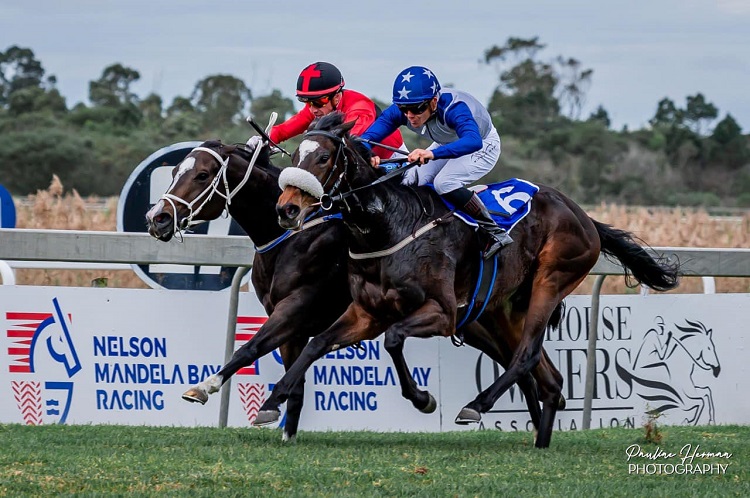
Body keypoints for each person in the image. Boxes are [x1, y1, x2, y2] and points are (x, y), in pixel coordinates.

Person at [359, 65, 513, 258]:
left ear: (434, 101)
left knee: (444, 182)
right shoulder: (404, 110)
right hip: (447, 142)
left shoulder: (454, 108)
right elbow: (367, 139)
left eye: (416, 109)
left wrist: (432, 154)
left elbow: (473, 141)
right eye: (403, 109)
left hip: (482, 144)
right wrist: (366, 154)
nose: (410, 115)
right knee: (410, 180)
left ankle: (495, 232)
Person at [248, 62, 404, 159]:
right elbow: (283, 130)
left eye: (318, 102)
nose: (313, 109)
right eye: (307, 102)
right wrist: (263, 139)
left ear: (336, 97)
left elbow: (351, 141)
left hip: (391, 159)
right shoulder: (317, 109)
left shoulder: (359, 106)